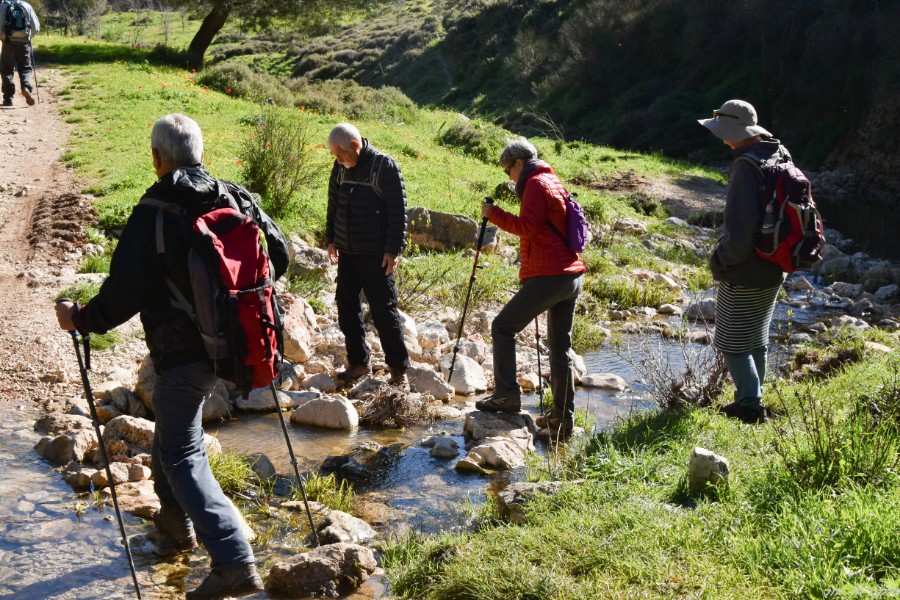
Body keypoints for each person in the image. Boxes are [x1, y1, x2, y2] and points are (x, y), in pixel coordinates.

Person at [55, 114, 289, 599]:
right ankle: (174, 525)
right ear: (200, 153)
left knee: (181, 451)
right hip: (239, 345)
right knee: (174, 430)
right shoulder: (235, 196)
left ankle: (232, 560)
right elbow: (279, 256)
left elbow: (122, 294)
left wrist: (80, 320)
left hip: (183, 352)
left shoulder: (154, 211)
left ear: (157, 158)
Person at [475, 138, 586, 439]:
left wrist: (493, 214)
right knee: (561, 349)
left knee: (502, 327)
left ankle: (507, 396)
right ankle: (563, 420)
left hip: (550, 276)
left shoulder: (536, 184)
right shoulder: (552, 179)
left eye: (508, 169)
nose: (509, 176)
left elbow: (528, 227)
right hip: (570, 276)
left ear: (519, 164)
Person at [698, 99, 788, 424]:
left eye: (724, 132)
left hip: (745, 270)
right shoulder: (779, 154)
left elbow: (738, 236)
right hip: (777, 265)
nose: (722, 138)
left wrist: (719, 263)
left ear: (736, 133)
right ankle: (752, 398)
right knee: (757, 339)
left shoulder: (745, 168)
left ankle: (750, 406)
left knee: (732, 344)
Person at [326, 122, 411, 388]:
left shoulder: (384, 166)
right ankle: (358, 363)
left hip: (376, 255)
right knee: (346, 308)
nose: (339, 160)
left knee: (384, 312)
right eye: (335, 156)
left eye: (341, 154)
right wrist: (331, 239)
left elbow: (399, 211)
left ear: (355, 145)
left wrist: (393, 249)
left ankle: (398, 371)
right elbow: (333, 202)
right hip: (348, 253)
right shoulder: (340, 167)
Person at [0, 0, 40, 107]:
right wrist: (28, 38)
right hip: (24, 42)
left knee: (7, 69)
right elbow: (35, 27)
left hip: (8, 42)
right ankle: (26, 87)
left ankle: (8, 98)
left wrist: (4, 39)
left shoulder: (3, 6)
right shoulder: (26, 5)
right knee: (25, 68)